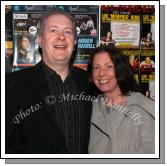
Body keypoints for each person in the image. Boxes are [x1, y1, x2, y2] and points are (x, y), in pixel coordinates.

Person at [6, 10, 92, 154]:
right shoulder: (11, 85)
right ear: (40, 40)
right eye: (53, 30)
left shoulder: (91, 82)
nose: (61, 37)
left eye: (68, 32)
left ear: (75, 42)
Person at [88, 45, 155, 154]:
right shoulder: (91, 108)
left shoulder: (143, 110)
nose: (101, 73)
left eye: (109, 66)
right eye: (96, 67)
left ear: (120, 69)